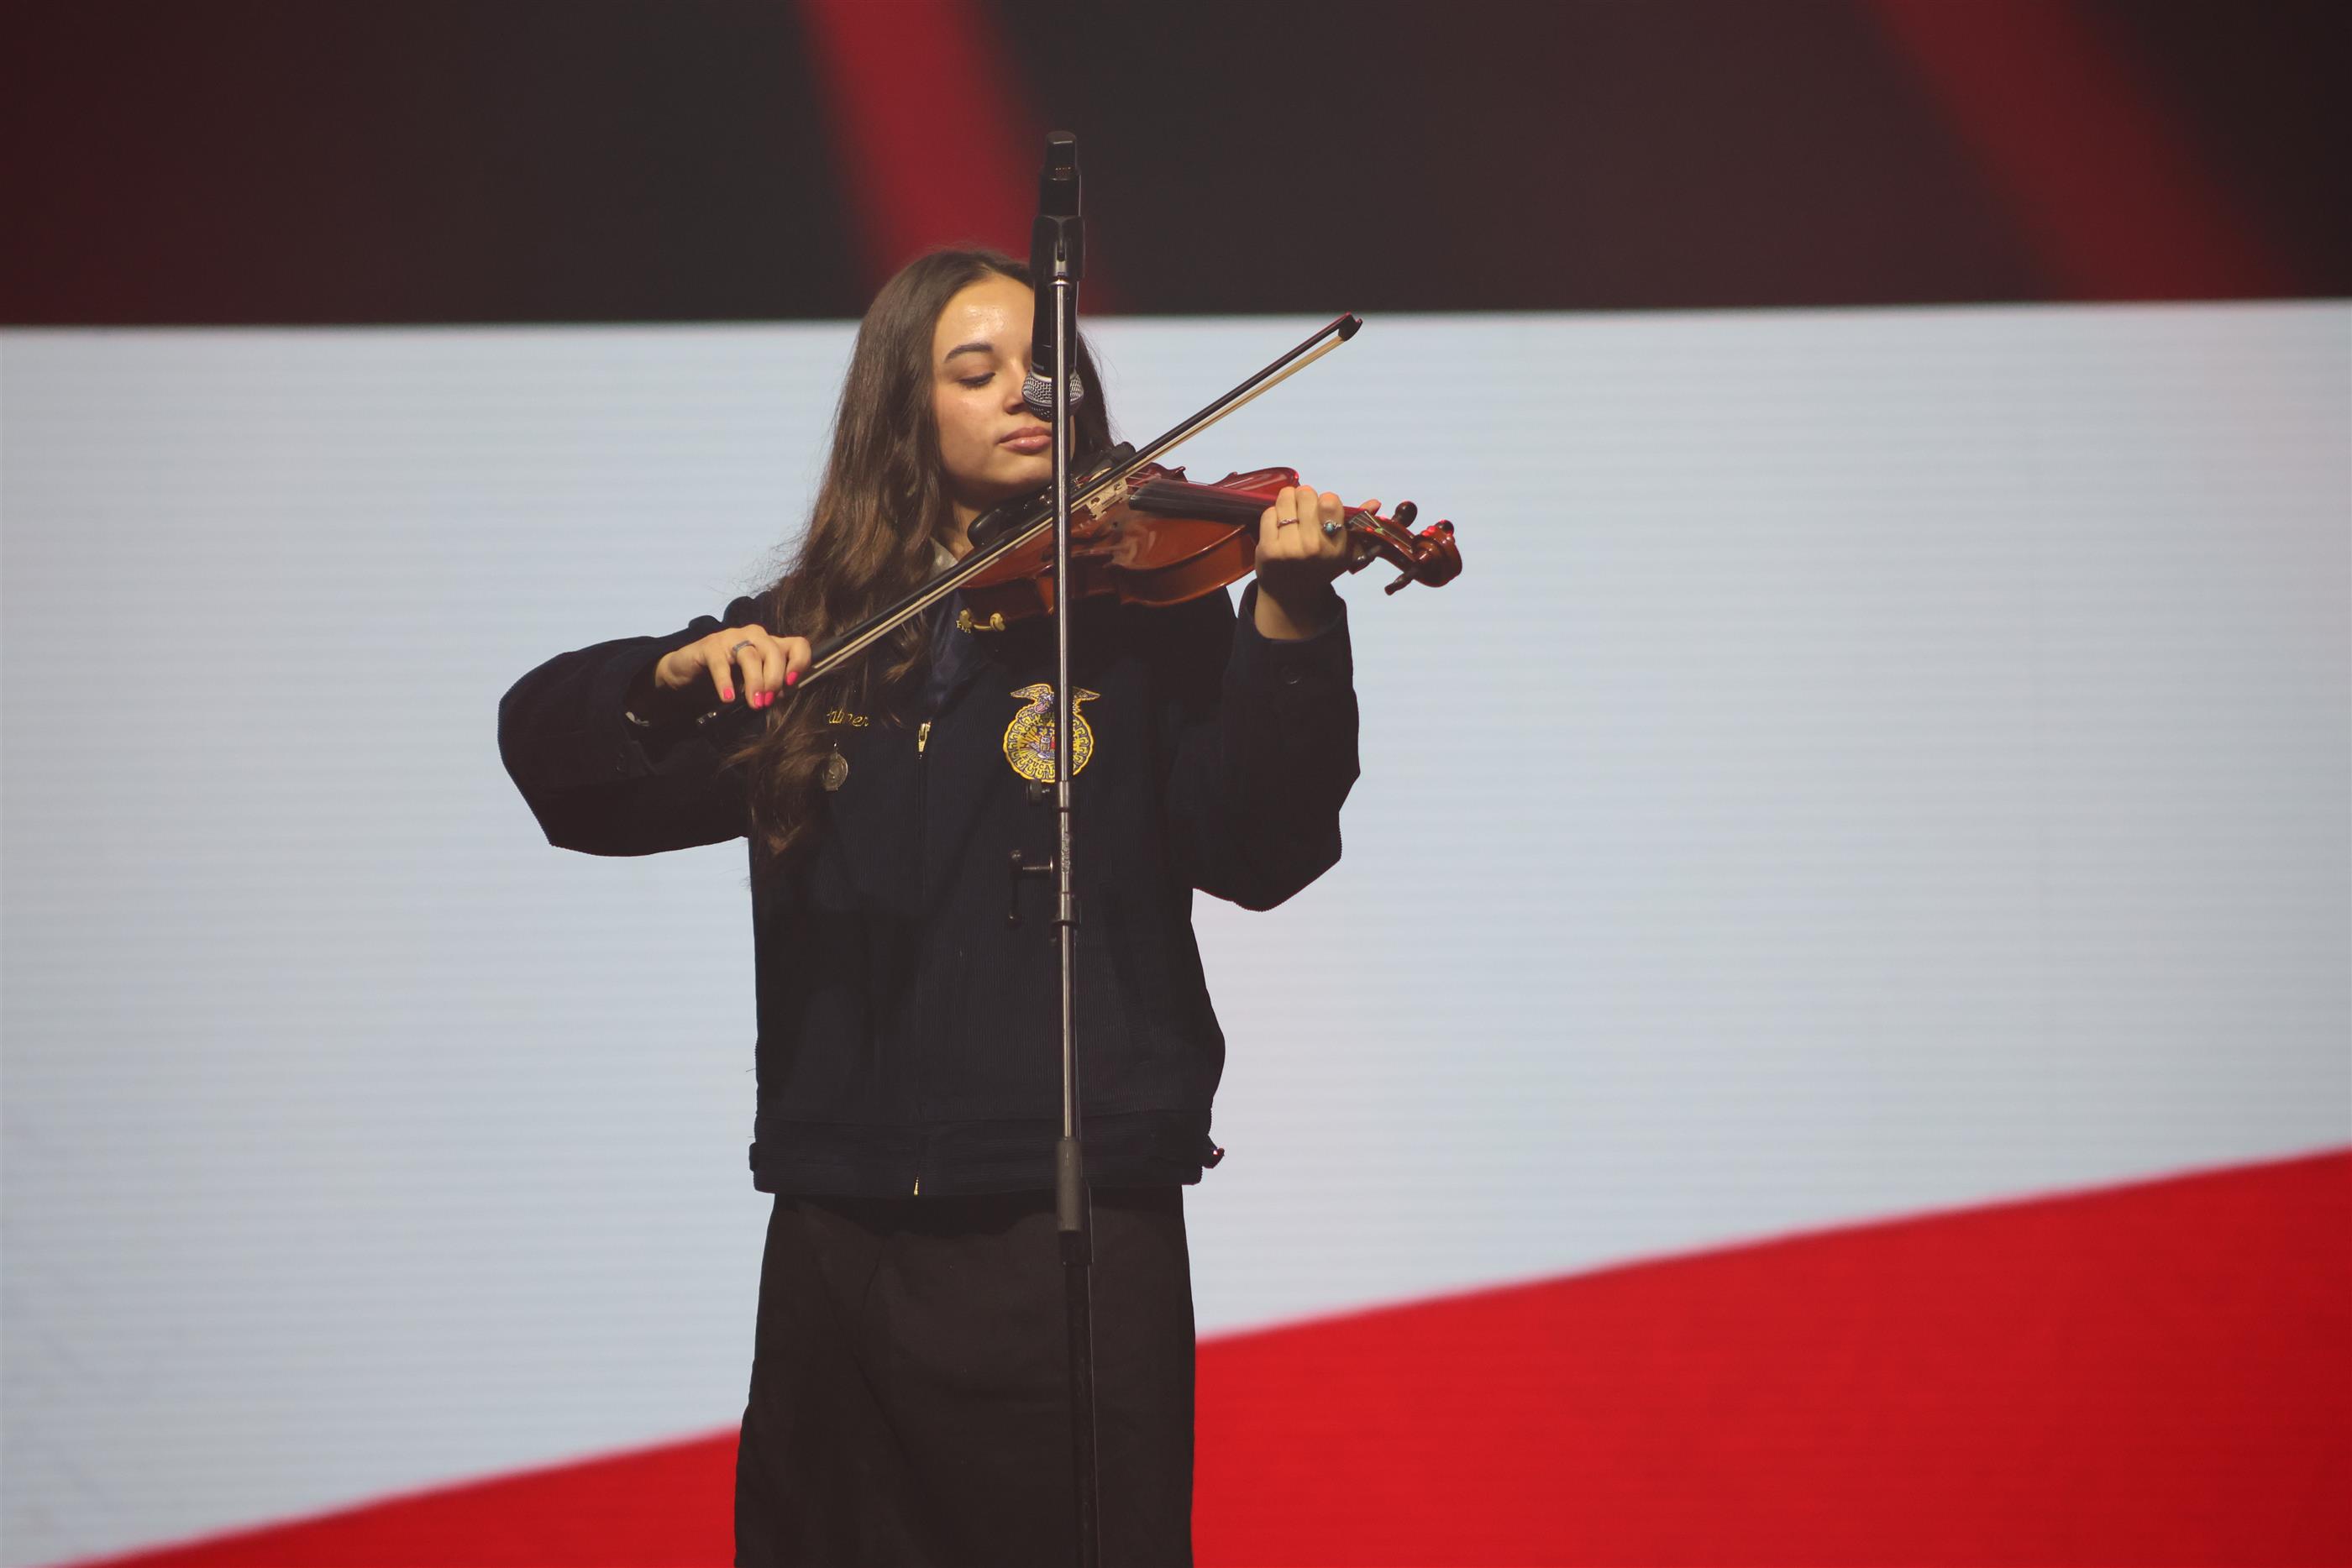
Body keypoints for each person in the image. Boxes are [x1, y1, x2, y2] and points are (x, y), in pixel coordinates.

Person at [496, 247, 1362, 1565]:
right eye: (975, 370)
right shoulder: (811, 637)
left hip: (1073, 1216)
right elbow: (568, 777)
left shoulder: (1144, 619)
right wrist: (670, 676)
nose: (1026, 390)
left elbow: (1263, 848)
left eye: (1048, 367)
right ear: (903, 409)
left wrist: (1290, 618)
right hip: (841, 1221)